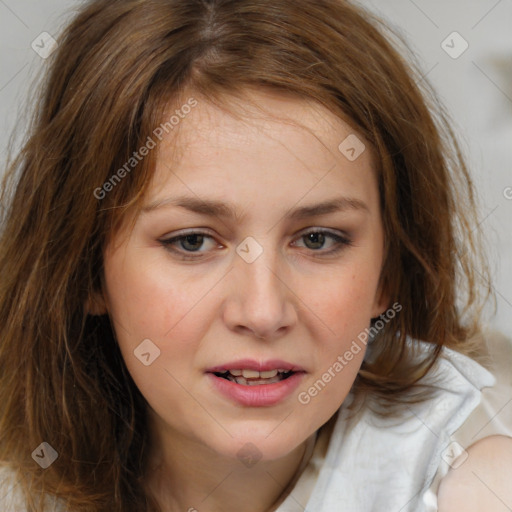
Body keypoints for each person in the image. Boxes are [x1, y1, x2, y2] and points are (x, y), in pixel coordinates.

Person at [0, 0, 511, 511]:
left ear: (390, 271)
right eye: (193, 241)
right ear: (87, 267)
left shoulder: (473, 488)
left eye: (318, 239)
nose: (263, 312)